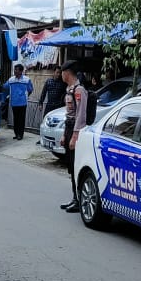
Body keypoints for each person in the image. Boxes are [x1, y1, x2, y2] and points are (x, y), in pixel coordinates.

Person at [59, 60, 89, 213]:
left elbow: (80, 115)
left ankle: (79, 200)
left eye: (62, 72)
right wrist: (65, 135)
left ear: (67, 73)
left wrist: (75, 136)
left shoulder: (79, 90)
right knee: (71, 166)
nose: (61, 75)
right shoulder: (69, 89)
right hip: (69, 129)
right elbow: (68, 115)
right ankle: (74, 198)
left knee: (76, 166)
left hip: (77, 131)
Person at [4, 63, 33, 140]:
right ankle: (16, 134)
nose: (15, 71)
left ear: (21, 71)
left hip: (23, 103)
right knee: (15, 119)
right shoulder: (11, 80)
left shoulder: (26, 80)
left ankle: (20, 134)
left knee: (21, 119)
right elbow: (5, 87)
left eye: (16, 70)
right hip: (14, 102)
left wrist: (25, 96)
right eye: (14, 70)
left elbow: (30, 90)